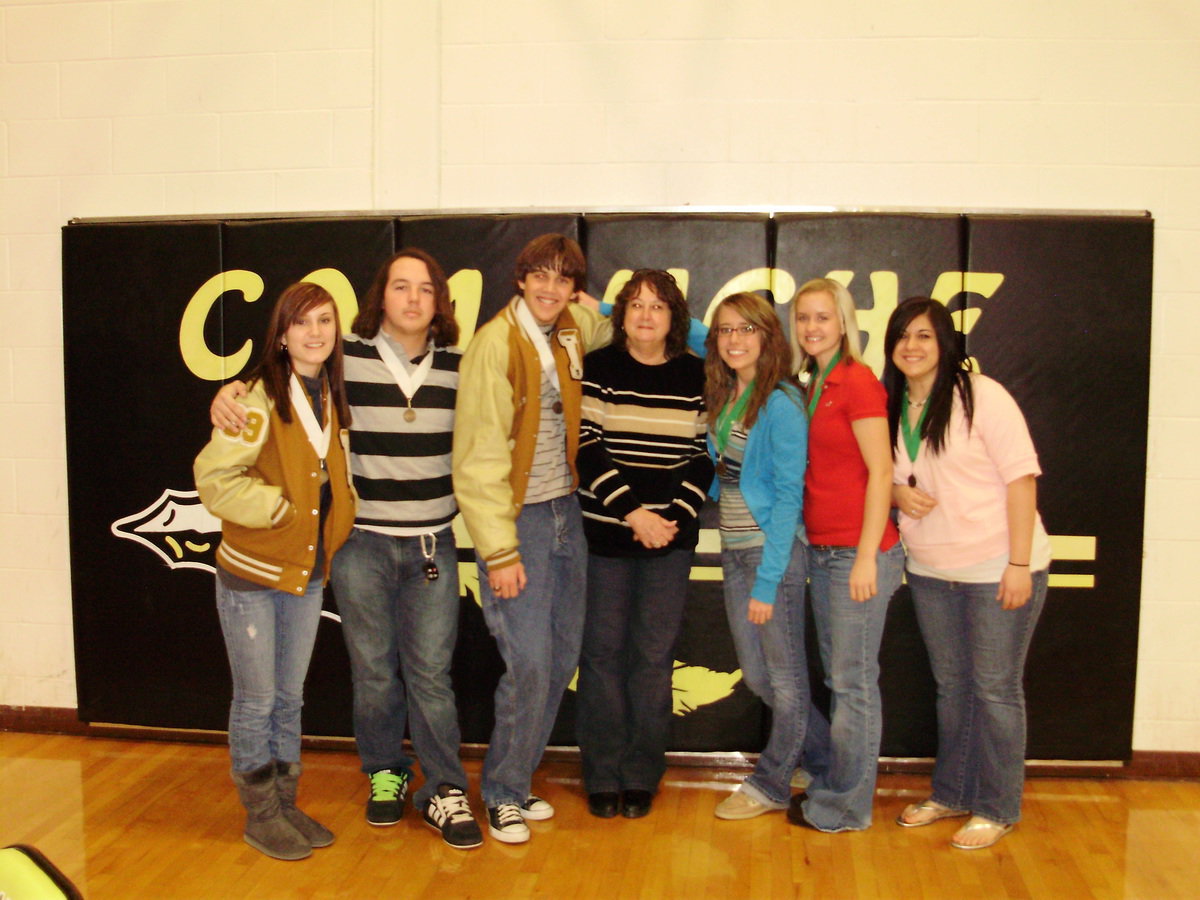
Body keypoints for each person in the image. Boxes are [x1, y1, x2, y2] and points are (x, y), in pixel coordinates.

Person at [210, 250, 483, 849]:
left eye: (425, 290)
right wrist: (228, 394)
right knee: (372, 675)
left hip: (432, 543)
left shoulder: (462, 368)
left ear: (440, 302)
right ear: (379, 297)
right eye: (400, 287)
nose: (413, 299)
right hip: (359, 546)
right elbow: (266, 392)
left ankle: (443, 787)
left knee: (431, 676)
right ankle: (382, 775)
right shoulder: (345, 360)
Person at [452, 233, 619, 844]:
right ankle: (499, 792)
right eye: (540, 277)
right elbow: (476, 458)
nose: (551, 290)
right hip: (517, 520)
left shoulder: (573, 324)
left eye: (563, 279)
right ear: (521, 279)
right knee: (529, 662)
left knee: (562, 654)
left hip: (567, 514)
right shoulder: (494, 345)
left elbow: (624, 323)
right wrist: (499, 551)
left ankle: (516, 781)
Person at [195, 282, 356, 860]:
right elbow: (215, 478)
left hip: (305, 573)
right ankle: (259, 814)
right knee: (258, 699)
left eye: (326, 322)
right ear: (282, 335)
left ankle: (286, 804)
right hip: (253, 575)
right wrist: (279, 512)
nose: (316, 333)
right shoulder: (259, 398)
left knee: (291, 699)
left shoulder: (329, 391)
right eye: (303, 322)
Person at [884, 297, 1051, 850]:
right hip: (931, 570)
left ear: (947, 343)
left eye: (925, 336)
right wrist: (893, 491)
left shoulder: (981, 396)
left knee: (995, 690)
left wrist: (1019, 565)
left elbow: (1021, 479)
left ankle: (998, 806)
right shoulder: (890, 404)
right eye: (903, 336)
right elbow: (881, 477)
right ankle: (953, 791)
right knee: (953, 689)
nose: (912, 346)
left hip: (995, 567)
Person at [574, 270, 714, 820]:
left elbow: (703, 455)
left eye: (658, 306)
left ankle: (640, 776)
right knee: (603, 657)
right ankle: (602, 775)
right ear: (621, 314)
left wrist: (669, 520)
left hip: (670, 543)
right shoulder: (599, 368)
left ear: (674, 317)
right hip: (606, 538)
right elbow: (587, 448)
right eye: (636, 305)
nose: (646, 315)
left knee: (653, 661)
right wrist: (634, 514)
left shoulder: (697, 374)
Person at [704, 292, 827, 821]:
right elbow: (686, 330)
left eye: (746, 329)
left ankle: (774, 782)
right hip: (735, 552)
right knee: (759, 676)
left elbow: (788, 498)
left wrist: (768, 581)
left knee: (785, 678)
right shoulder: (733, 390)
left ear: (768, 336)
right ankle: (829, 760)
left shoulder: (781, 402)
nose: (734, 339)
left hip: (769, 556)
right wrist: (608, 309)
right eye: (725, 330)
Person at [787, 277, 904, 833]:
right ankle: (834, 785)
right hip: (823, 551)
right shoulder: (811, 381)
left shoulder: (857, 381)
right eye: (804, 318)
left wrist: (864, 558)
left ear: (844, 323)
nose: (812, 327)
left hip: (858, 555)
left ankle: (846, 807)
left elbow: (882, 472)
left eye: (823, 318)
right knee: (840, 681)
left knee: (853, 683)